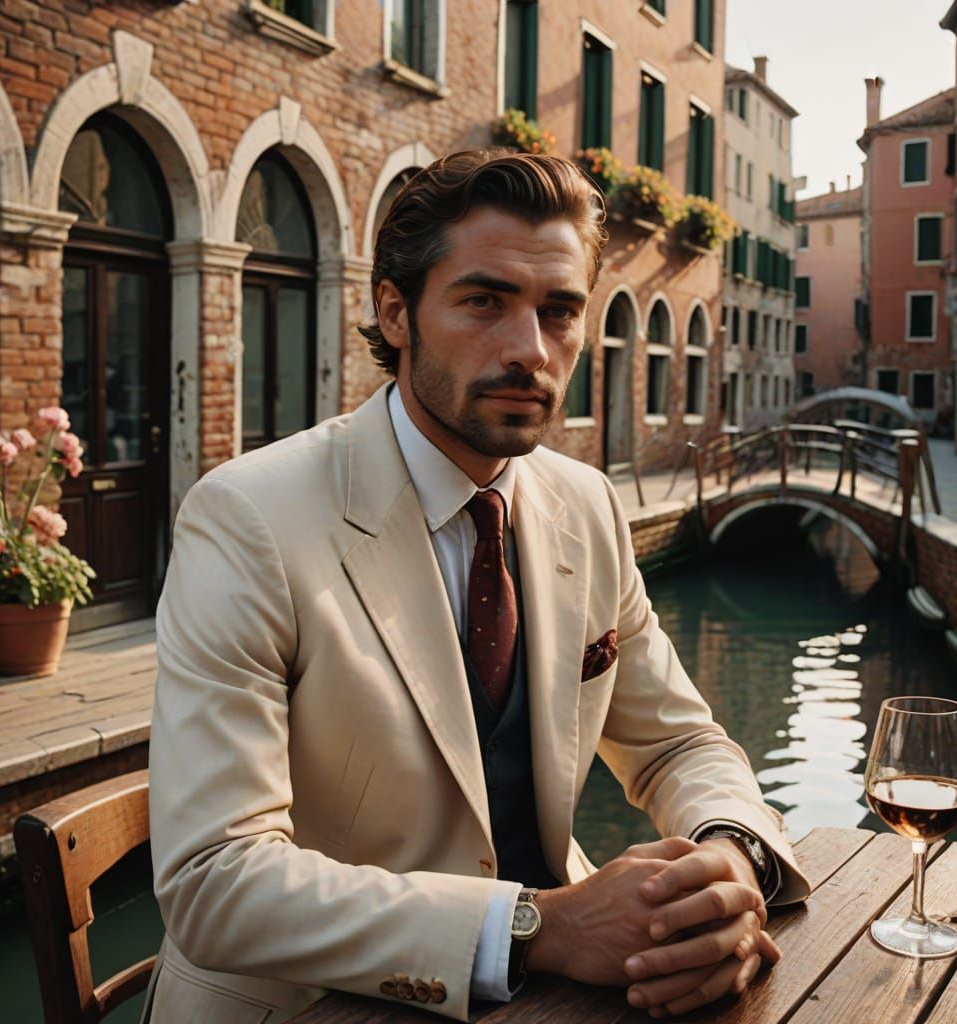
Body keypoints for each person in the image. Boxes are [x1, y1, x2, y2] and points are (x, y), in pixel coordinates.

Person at [143, 150, 809, 1024]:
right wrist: (534, 927)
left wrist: (728, 860)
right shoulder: (245, 518)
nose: (530, 350)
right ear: (396, 311)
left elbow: (679, 745)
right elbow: (213, 880)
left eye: (561, 311)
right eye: (484, 301)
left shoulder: (586, 504)